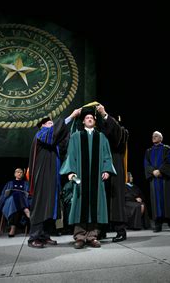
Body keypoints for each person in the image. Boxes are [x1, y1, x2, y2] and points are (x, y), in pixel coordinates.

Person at [60, 107, 116, 249]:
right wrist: (70, 172)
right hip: (81, 178)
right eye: (87, 118)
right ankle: (79, 237)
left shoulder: (101, 137)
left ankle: (92, 236)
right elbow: (70, 156)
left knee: (95, 205)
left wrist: (107, 170)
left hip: (97, 179)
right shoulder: (76, 137)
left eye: (92, 117)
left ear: (95, 121)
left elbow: (107, 156)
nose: (89, 119)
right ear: (83, 121)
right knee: (80, 205)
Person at [27, 109, 81, 248]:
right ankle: (34, 237)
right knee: (41, 205)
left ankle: (44, 235)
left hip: (51, 178)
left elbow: (63, 142)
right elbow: (55, 132)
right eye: (49, 123)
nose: (52, 124)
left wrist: (73, 126)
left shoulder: (51, 141)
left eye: (52, 123)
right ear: (42, 126)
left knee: (49, 206)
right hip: (42, 177)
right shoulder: (41, 135)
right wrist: (70, 116)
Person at [96, 104, 129, 242]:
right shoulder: (101, 132)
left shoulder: (122, 131)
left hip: (115, 165)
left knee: (116, 199)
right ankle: (102, 230)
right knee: (102, 198)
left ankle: (121, 230)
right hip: (102, 166)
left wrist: (104, 114)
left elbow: (115, 135)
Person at [144, 131, 170, 233]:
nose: (154, 137)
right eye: (153, 136)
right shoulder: (148, 151)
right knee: (156, 203)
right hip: (154, 180)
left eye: (156, 136)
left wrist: (160, 171)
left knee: (168, 202)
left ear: (161, 138)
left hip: (165, 180)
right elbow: (146, 163)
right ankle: (158, 225)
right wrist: (153, 171)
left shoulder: (167, 149)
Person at [0, 168, 31, 237]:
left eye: (21, 172)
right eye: (17, 172)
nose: (19, 173)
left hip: (23, 200)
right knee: (15, 195)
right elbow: (4, 194)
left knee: (18, 195)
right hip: (10, 200)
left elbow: (29, 195)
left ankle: (13, 228)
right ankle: (26, 210)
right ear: (15, 174)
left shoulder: (26, 184)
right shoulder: (10, 183)